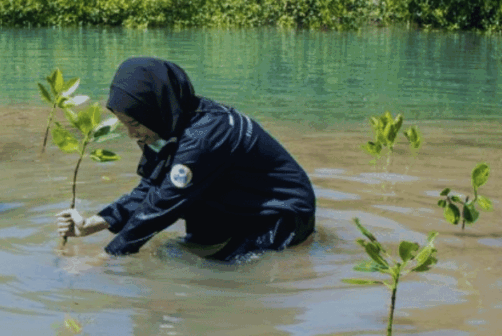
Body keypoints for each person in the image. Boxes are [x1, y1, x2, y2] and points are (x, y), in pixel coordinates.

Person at [57, 57, 316, 262]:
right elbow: (152, 187)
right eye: (126, 125)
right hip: (239, 200)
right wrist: (94, 223)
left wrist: (104, 257)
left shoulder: (203, 137)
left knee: (222, 275)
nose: (131, 134)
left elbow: (162, 206)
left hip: (282, 214)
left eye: (134, 124)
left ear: (152, 108)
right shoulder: (169, 123)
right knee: (190, 248)